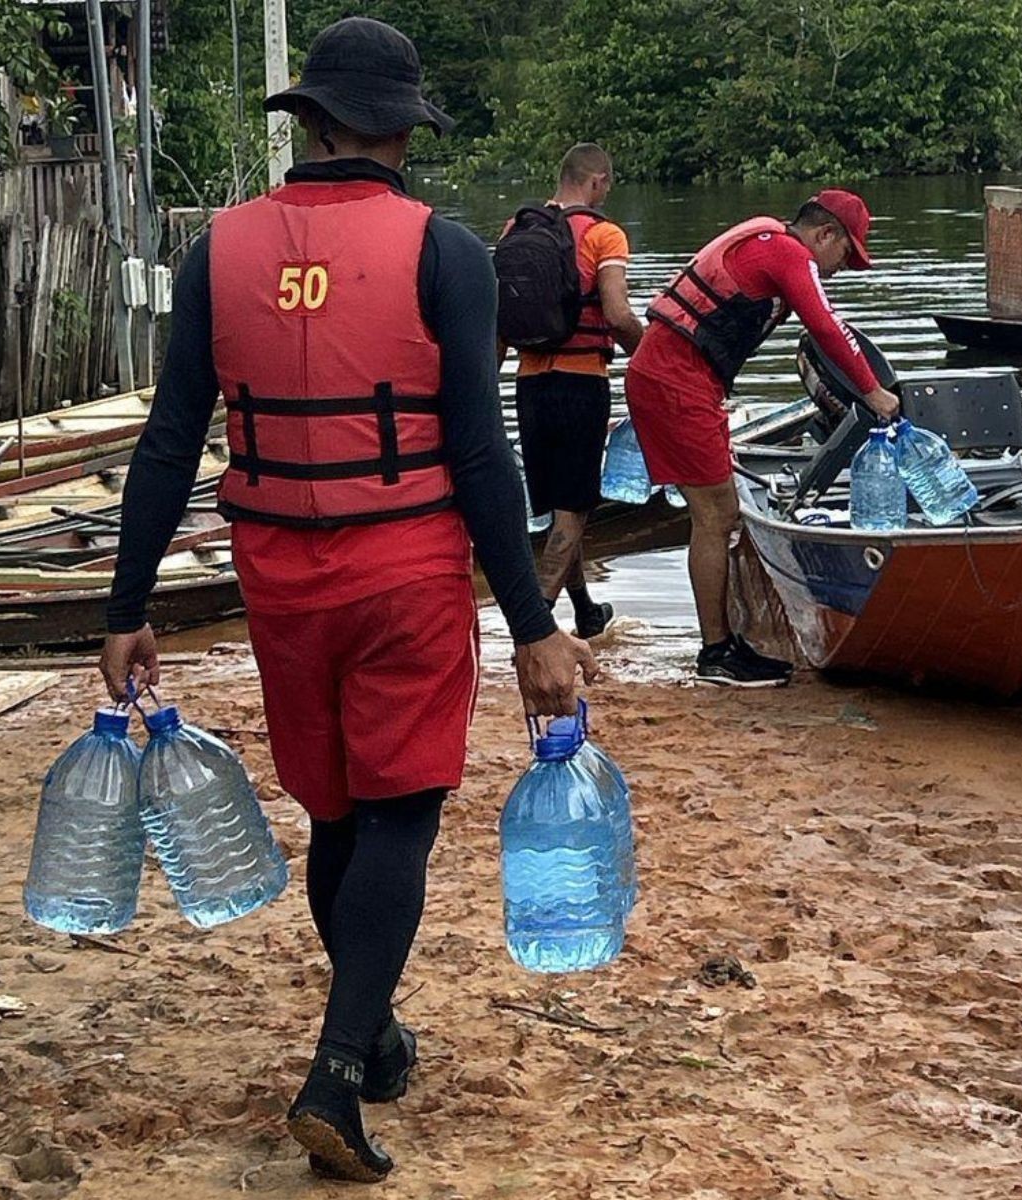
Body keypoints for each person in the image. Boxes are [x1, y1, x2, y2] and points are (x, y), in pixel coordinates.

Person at [98, 17, 596, 1184]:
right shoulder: (447, 253)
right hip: (406, 575)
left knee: (334, 814)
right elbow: (481, 456)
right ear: (403, 138)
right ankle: (333, 1067)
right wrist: (534, 627)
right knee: (401, 816)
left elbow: (170, 442)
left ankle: (371, 1043)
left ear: (310, 123)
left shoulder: (214, 251)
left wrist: (126, 607)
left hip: (279, 579)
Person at [624, 191, 901, 686]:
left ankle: (722, 642)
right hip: (675, 381)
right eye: (844, 255)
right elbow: (828, 326)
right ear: (825, 235)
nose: (840, 269)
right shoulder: (789, 253)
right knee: (716, 514)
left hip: (674, 375)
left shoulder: (767, 239)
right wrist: (875, 393)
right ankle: (716, 653)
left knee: (716, 512)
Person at [504, 144, 643, 637]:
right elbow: (617, 313)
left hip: (529, 385)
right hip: (581, 382)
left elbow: (504, 316)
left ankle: (585, 609)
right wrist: (648, 356)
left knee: (562, 506)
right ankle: (535, 627)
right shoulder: (605, 234)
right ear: (597, 181)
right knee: (575, 511)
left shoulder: (519, 229)